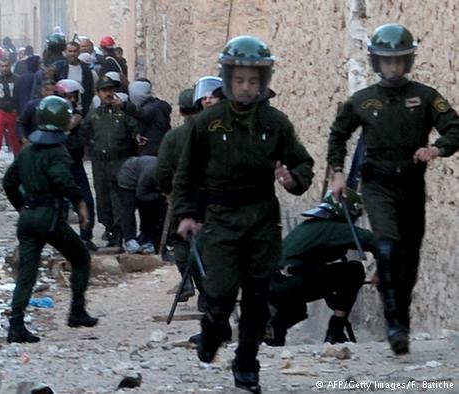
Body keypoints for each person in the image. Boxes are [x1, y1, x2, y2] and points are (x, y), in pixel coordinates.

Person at [173, 36, 314, 394]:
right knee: (219, 290)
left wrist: (292, 178)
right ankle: (213, 328)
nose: (246, 87)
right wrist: (187, 214)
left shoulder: (276, 122)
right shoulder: (207, 122)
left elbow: (302, 162)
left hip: (262, 216)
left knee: (256, 294)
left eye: (253, 80)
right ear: (228, 78)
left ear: (263, 81)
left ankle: (247, 361)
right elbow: (186, 172)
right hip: (220, 217)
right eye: (240, 80)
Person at [327, 24, 459, 355]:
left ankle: (403, 320)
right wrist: (338, 173)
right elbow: (338, 135)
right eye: (387, 62)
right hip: (378, 185)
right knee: (387, 247)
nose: (394, 68)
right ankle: (393, 323)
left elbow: (454, 128)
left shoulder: (426, 96)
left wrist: (438, 149)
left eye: (400, 61)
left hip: (411, 184)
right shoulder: (362, 100)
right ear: (376, 62)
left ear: (409, 61)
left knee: (408, 259)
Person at [3, 96, 98, 343]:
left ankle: (16, 324)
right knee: (80, 257)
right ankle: (77, 310)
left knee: (27, 271)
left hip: (27, 217)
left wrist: (21, 206)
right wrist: (80, 204)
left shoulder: (27, 151)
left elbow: (9, 182)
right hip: (50, 217)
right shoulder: (57, 152)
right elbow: (62, 180)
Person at [265, 189, 374, 346]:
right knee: (354, 270)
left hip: (273, 285)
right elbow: (372, 240)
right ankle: (335, 329)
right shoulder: (330, 227)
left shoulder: (309, 226)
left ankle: (274, 333)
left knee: (296, 310)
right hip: (291, 282)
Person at [82, 75, 139, 248]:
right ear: (98, 93)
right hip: (100, 163)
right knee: (103, 197)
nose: (108, 94)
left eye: (111, 90)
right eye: (104, 90)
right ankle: (109, 228)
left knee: (119, 198)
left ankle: (121, 232)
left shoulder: (123, 113)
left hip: (120, 160)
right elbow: (85, 134)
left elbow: (135, 130)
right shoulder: (93, 115)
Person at [156, 88, 201, 303]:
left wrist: (168, 192)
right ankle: (207, 293)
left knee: (180, 240)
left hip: (181, 195)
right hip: (210, 196)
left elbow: (162, 170)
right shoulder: (213, 133)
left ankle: (187, 282)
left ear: (182, 112)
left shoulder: (173, 137)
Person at [54, 79, 97, 251]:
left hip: (75, 164)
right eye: (68, 96)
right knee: (60, 203)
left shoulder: (80, 116)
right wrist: (70, 126)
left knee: (86, 201)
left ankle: (85, 237)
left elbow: (82, 139)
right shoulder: (53, 116)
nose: (72, 100)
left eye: (74, 96)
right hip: (59, 166)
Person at [115, 155, 164, 254]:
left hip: (144, 183)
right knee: (129, 208)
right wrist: (161, 195)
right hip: (128, 178)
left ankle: (145, 238)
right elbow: (141, 195)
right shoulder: (151, 173)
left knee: (150, 208)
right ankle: (129, 239)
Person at [0, 56, 21, 168]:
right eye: (2, 66)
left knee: (15, 136)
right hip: (0, 111)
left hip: (13, 111)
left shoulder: (17, 79)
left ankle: (18, 157)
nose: (4, 68)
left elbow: (20, 96)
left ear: (10, 66)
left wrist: (19, 111)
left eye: (6, 66)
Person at [124, 78, 172, 156]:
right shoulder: (155, 105)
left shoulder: (152, 109)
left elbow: (142, 114)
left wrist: (124, 105)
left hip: (153, 153)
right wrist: (138, 135)